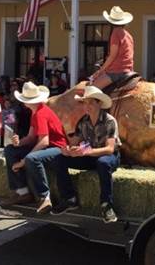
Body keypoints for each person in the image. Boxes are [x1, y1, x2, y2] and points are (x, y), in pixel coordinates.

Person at [51, 86, 120, 223]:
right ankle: (69, 199)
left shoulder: (109, 121)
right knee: (60, 158)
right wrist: (69, 150)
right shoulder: (83, 121)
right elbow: (75, 143)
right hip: (89, 155)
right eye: (85, 103)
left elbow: (109, 149)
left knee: (103, 163)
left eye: (90, 103)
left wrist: (85, 152)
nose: (87, 106)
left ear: (99, 103)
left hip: (107, 156)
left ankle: (107, 205)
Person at [1, 82, 67, 213]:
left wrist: (23, 161)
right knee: (9, 150)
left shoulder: (40, 114)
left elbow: (44, 141)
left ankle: (44, 197)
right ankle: (22, 192)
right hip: (48, 147)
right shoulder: (35, 112)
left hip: (58, 148)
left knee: (32, 158)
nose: (23, 102)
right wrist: (19, 143)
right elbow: (31, 137)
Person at [90, 6, 134, 90]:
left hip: (116, 71)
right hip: (129, 70)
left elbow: (112, 56)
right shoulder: (128, 35)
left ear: (110, 22)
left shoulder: (115, 32)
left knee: (91, 90)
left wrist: (100, 71)